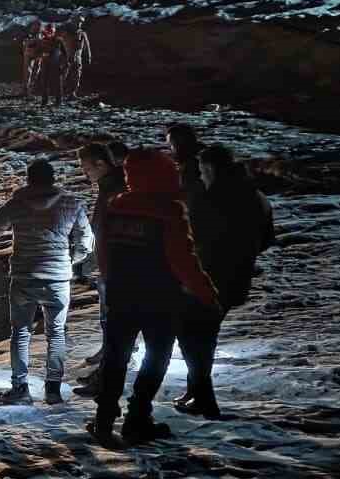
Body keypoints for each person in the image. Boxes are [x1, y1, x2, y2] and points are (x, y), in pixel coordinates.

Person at [88, 150, 223, 447]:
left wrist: (111, 282)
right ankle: (138, 417)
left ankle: (103, 419)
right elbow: (183, 260)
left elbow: (103, 252)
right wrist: (207, 293)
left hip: (121, 295)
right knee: (156, 356)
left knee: (115, 358)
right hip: (160, 298)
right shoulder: (169, 211)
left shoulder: (116, 207)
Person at [0, 159, 93, 405]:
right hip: (57, 278)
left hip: (24, 277)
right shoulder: (71, 203)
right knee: (56, 333)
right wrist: (71, 260)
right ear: (53, 178)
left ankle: (20, 388)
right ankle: (53, 389)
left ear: (29, 179)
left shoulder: (17, 204)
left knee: (21, 333)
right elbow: (86, 240)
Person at [175, 144, 276, 418]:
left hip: (207, 278)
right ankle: (196, 391)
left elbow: (194, 238)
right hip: (238, 277)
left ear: (210, 168)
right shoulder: (256, 196)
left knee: (193, 335)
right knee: (203, 335)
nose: (201, 176)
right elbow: (267, 239)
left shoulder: (212, 198)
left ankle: (203, 398)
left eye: (202, 171)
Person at [74, 143, 128, 390]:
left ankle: (106, 376)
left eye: (87, 168)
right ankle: (107, 364)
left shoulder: (115, 188)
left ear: (101, 163)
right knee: (111, 319)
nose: (85, 173)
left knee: (116, 321)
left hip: (117, 265)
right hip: (110, 263)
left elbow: (113, 229)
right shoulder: (109, 186)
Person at [61, 17, 92, 100]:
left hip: (78, 58)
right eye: (77, 22)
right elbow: (62, 44)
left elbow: (87, 46)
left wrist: (88, 56)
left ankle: (72, 93)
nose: (79, 24)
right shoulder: (66, 33)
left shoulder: (82, 33)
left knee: (76, 76)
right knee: (64, 75)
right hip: (67, 57)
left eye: (80, 22)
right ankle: (61, 93)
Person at [38, 25, 67, 106]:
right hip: (45, 64)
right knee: (44, 82)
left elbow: (64, 53)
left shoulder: (58, 40)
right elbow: (38, 51)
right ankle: (44, 101)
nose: (49, 32)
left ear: (54, 31)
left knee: (57, 83)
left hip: (56, 64)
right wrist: (41, 55)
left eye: (51, 30)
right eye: (48, 30)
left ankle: (58, 101)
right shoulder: (42, 40)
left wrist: (64, 64)